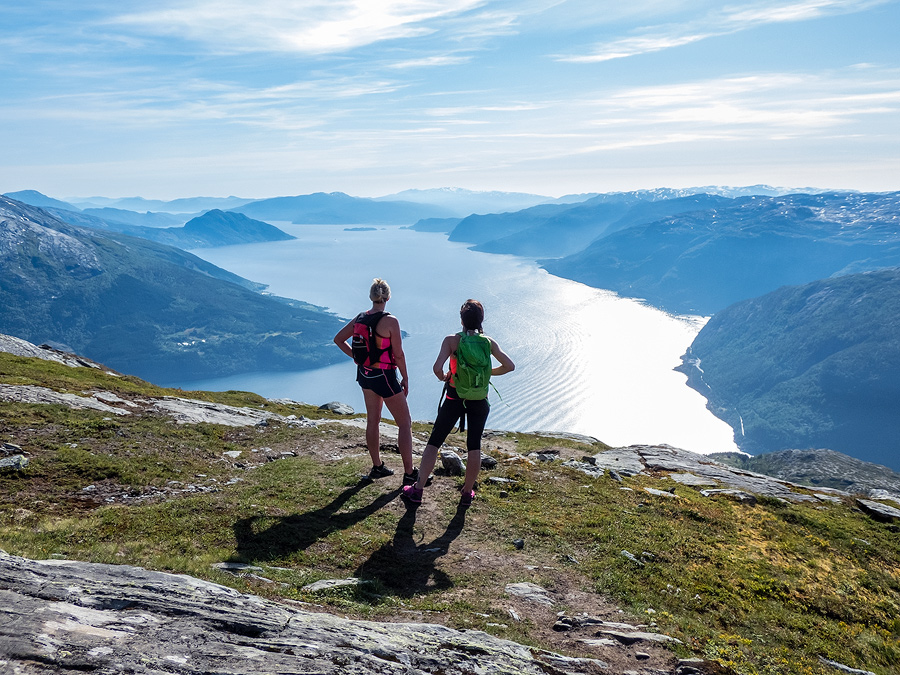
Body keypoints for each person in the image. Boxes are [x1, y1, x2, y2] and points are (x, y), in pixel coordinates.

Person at [402, 299, 514, 506]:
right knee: (474, 445)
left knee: (434, 441)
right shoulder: (488, 342)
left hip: (454, 396)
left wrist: (445, 376)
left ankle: (417, 490)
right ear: (481, 320)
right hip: (479, 399)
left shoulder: (451, 341)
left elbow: (437, 368)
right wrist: (488, 372)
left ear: (461, 319)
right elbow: (509, 365)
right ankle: (467, 492)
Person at [333, 278, 416, 483]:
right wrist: (405, 378)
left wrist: (357, 358)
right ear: (388, 297)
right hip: (384, 375)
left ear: (371, 297)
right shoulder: (391, 321)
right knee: (405, 423)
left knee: (373, 420)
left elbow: (338, 339)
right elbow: (398, 355)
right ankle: (409, 473)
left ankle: (377, 467)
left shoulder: (360, 318)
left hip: (365, 374)